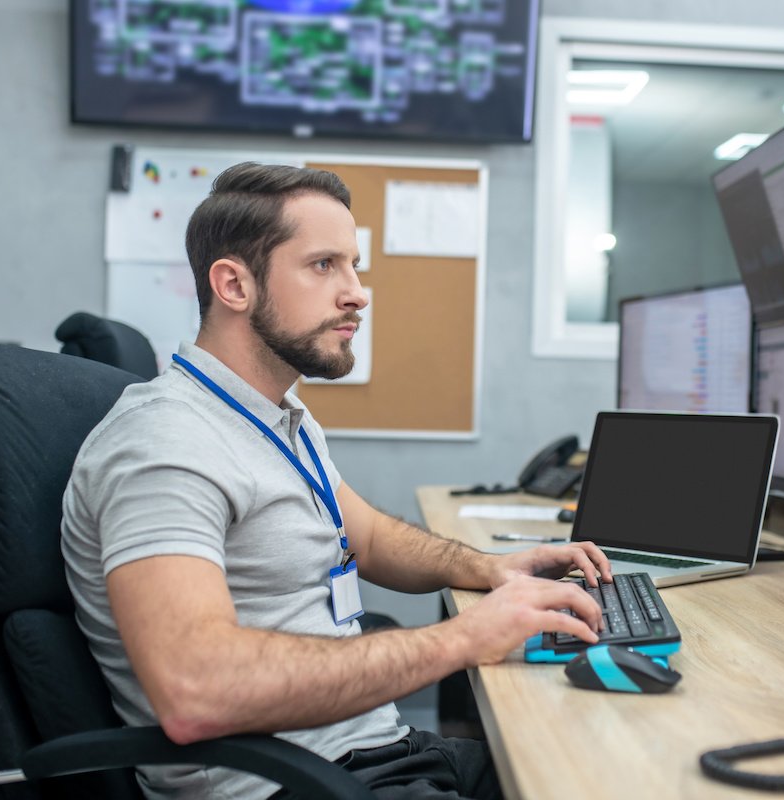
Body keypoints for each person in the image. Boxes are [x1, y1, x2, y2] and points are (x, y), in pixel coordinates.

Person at [61, 162, 612, 800]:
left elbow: (369, 538)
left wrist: (491, 569)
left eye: (355, 265)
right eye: (325, 265)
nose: (358, 293)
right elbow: (195, 691)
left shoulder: (277, 415)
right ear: (234, 284)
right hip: (287, 785)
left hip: (370, 751)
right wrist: (463, 637)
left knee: (597, 767)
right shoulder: (166, 442)